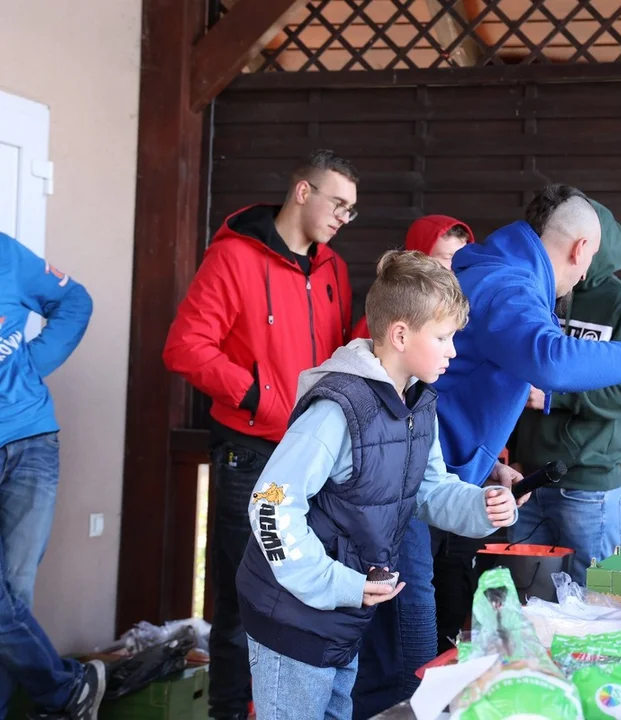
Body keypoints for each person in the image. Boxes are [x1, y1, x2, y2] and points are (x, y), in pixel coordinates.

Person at [421, 183, 621, 654]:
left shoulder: (499, 272)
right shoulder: (508, 285)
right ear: (582, 249)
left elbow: (461, 384)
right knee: (414, 626)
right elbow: (551, 359)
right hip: (424, 478)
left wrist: (488, 462)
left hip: (476, 474)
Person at [234, 250, 518, 720]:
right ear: (400, 334)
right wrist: (337, 583)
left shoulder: (418, 405)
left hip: (342, 616)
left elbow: (430, 490)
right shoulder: (338, 409)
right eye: (444, 337)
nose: (453, 351)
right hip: (292, 613)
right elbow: (269, 504)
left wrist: (481, 507)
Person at [162, 150, 357, 720]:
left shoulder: (335, 271)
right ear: (303, 191)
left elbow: (340, 351)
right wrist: (260, 398)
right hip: (247, 454)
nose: (344, 217)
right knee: (240, 607)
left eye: (351, 210)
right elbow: (185, 347)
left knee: (301, 600)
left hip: (312, 460)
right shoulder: (232, 258)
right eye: (337, 203)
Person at [348, 214, 474, 707]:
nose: (452, 272)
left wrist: (482, 499)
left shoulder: (428, 376)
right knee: (397, 637)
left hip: (425, 499)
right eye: (442, 260)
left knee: (421, 624)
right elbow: (277, 503)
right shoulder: (358, 374)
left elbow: (433, 475)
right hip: (369, 532)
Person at [507, 199, 621, 585]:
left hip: (590, 484)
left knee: (593, 603)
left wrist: (558, 398)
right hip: (527, 478)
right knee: (528, 603)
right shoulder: (539, 292)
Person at [0, 233, 100, 719]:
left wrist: (32, 365)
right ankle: (65, 690)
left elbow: (74, 300)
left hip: (31, 441)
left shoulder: (5, 254)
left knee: (14, 592)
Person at [351, 215, 473, 340]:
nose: (457, 265)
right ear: (421, 256)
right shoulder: (389, 309)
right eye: (447, 257)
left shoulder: (467, 304)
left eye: (463, 258)